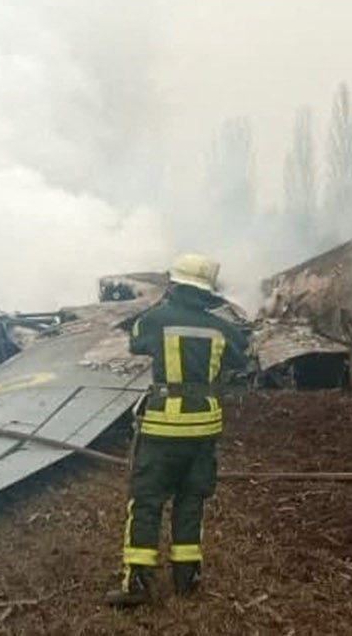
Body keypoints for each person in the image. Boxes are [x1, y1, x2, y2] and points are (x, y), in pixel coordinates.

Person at [105, 254, 250, 608]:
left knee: (147, 501)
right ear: (207, 292)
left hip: (163, 429)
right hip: (204, 429)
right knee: (191, 501)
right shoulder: (223, 329)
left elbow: (135, 341)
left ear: (175, 284)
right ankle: (187, 578)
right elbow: (240, 356)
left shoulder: (155, 320)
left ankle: (137, 583)